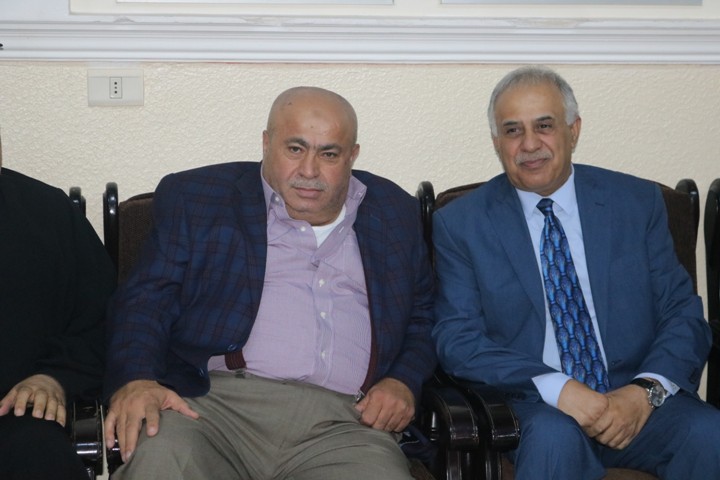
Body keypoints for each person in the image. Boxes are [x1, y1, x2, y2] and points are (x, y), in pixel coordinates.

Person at [103, 86, 435, 479]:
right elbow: (146, 300)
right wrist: (137, 379)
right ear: (266, 143)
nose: (309, 171)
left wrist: (403, 381)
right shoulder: (198, 197)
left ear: (352, 155)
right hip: (212, 411)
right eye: (295, 149)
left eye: (329, 154)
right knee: (161, 460)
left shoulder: (394, 212)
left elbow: (423, 316)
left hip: (346, 424)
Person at [431, 65, 720, 479]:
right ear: (497, 142)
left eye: (544, 126)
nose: (530, 144)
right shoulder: (462, 223)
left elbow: (683, 314)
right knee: (554, 439)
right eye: (512, 131)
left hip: (638, 401)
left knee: (709, 432)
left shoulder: (636, 204)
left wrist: (645, 392)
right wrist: (559, 387)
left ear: (573, 130)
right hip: (538, 407)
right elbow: (457, 338)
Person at [0, 135, 116, 479]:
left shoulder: (47, 212)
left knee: (41, 455)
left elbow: (102, 319)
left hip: (15, 413)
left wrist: (55, 377)